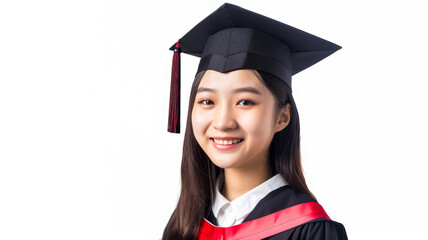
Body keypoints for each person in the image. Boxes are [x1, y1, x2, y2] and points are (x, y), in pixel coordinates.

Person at [163, 3, 348, 240]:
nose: (222, 122)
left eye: (245, 102)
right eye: (207, 101)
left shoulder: (309, 230)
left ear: (282, 117)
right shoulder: (185, 223)